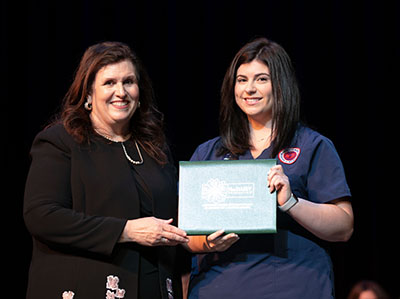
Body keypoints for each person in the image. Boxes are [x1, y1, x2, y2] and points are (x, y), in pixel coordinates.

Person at [183, 37, 354, 298]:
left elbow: (343, 227)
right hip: (218, 287)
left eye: (261, 79)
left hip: (293, 286)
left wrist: (291, 204)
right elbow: (186, 233)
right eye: (242, 80)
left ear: (281, 85)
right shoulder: (209, 153)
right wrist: (207, 241)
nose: (249, 88)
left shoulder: (311, 146)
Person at [23, 41, 189, 299]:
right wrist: (127, 231)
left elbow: (176, 220)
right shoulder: (61, 142)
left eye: (128, 82)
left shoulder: (154, 148)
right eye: (109, 83)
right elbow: (42, 215)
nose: (121, 92)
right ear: (88, 94)